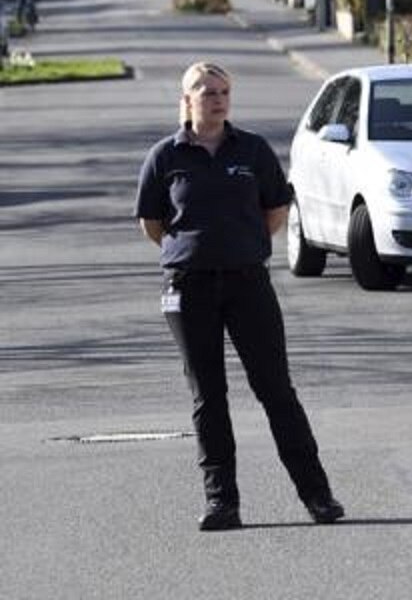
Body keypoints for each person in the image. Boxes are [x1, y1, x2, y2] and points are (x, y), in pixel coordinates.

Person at [135, 62, 344, 531]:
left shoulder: (251, 150)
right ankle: (222, 503)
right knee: (208, 396)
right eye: (206, 91)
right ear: (187, 100)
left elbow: (274, 211)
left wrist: (242, 245)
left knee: (276, 390)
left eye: (223, 91)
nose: (216, 98)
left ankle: (319, 497)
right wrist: (194, 250)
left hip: (248, 282)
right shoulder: (165, 157)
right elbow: (153, 224)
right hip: (189, 289)